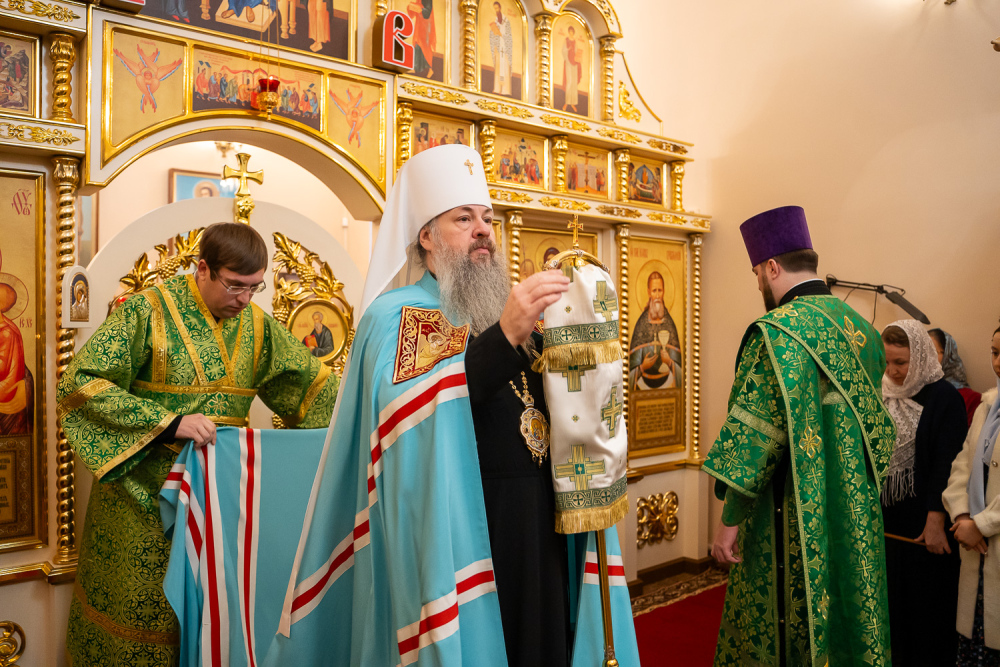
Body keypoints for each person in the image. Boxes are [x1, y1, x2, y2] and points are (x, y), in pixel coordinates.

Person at [274, 145, 638, 666]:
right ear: (426, 237)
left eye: (486, 218)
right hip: (468, 527)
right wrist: (506, 336)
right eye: (463, 219)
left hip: (542, 520)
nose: (483, 230)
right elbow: (409, 418)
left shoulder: (502, 310)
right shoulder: (397, 316)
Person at [58, 222, 339, 666]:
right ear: (203, 268)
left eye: (255, 287)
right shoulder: (146, 312)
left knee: (211, 621)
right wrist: (168, 423)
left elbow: (314, 393)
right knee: (139, 620)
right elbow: (80, 385)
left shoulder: (257, 326)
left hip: (217, 506)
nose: (244, 299)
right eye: (235, 286)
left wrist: (376, 412)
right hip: (139, 505)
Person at [704, 205, 896, 666]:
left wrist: (729, 521)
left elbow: (754, 438)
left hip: (792, 513)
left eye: (756, 272)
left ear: (772, 267)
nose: (757, 282)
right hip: (852, 510)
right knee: (851, 611)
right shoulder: (862, 331)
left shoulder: (778, 333)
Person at [880, 319, 966, 665]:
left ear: (920, 357)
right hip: (886, 522)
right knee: (891, 610)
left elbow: (948, 463)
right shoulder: (880, 390)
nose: (893, 370)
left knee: (926, 613)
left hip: (926, 523)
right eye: (887, 361)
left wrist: (935, 519)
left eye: (901, 362)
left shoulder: (944, 397)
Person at [944, 321, 1000, 665]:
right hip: (976, 549)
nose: (998, 363)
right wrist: (962, 515)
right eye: (995, 352)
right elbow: (963, 464)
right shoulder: (988, 404)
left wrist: (981, 524)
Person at [627, 271, 681, 391]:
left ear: (664, 291)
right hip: (642, 386)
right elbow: (629, 370)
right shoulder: (641, 323)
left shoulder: (670, 323)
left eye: (659, 291)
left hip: (667, 386)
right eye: (654, 291)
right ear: (648, 292)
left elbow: (681, 369)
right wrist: (642, 367)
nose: (657, 296)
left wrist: (670, 362)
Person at [930, 327, 983, 426]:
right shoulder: (914, 392)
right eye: (922, 354)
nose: (926, 359)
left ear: (948, 355)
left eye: (932, 352)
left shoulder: (970, 398)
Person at [489, 1, 513, 96]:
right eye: (494, 9)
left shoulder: (506, 21)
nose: (496, 10)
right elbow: (493, 34)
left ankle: (505, 90)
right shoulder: (495, 20)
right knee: (498, 69)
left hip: (505, 48)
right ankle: (497, 88)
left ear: (500, 8)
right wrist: (495, 32)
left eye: (497, 8)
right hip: (498, 48)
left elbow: (508, 34)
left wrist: (501, 34)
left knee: (504, 69)